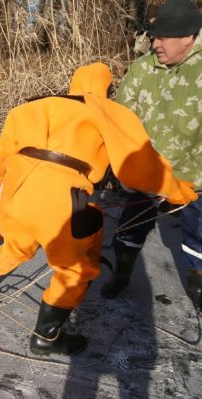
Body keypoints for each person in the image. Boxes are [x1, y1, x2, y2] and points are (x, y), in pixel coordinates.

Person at [0, 62, 198, 356]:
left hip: (15, 194)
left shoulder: (28, 108)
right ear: (108, 89)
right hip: (62, 199)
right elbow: (137, 167)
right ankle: (48, 335)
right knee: (75, 269)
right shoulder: (108, 110)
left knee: (16, 246)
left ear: (73, 83)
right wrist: (176, 190)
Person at [100, 0, 202, 310]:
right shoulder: (142, 69)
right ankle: (122, 273)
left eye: (162, 37)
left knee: (198, 238)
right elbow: (119, 118)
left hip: (196, 178)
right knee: (129, 231)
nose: (153, 43)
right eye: (153, 36)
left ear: (188, 36)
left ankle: (199, 284)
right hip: (148, 175)